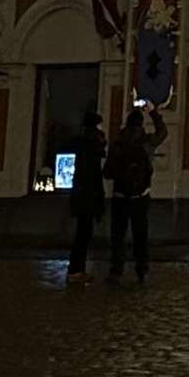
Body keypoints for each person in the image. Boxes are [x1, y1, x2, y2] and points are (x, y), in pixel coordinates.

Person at [105, 102, 167, 282]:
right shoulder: (147, 142)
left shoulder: (118, 142)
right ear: (141, 124)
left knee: (118, 234)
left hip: (120, 197)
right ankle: (142, 268)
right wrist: (154, 113)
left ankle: (117, 268)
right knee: (141, 233)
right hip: (141, 196)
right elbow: (163, 133)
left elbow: (108, 172)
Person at [66, 109, 106, 282]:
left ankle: (77, 269)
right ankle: (76, 270)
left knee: (83, 234)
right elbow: (93, 176)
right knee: (83, 235)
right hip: (88, 196)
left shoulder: (82, 144)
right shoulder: (89, 148)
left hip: (83, 196)